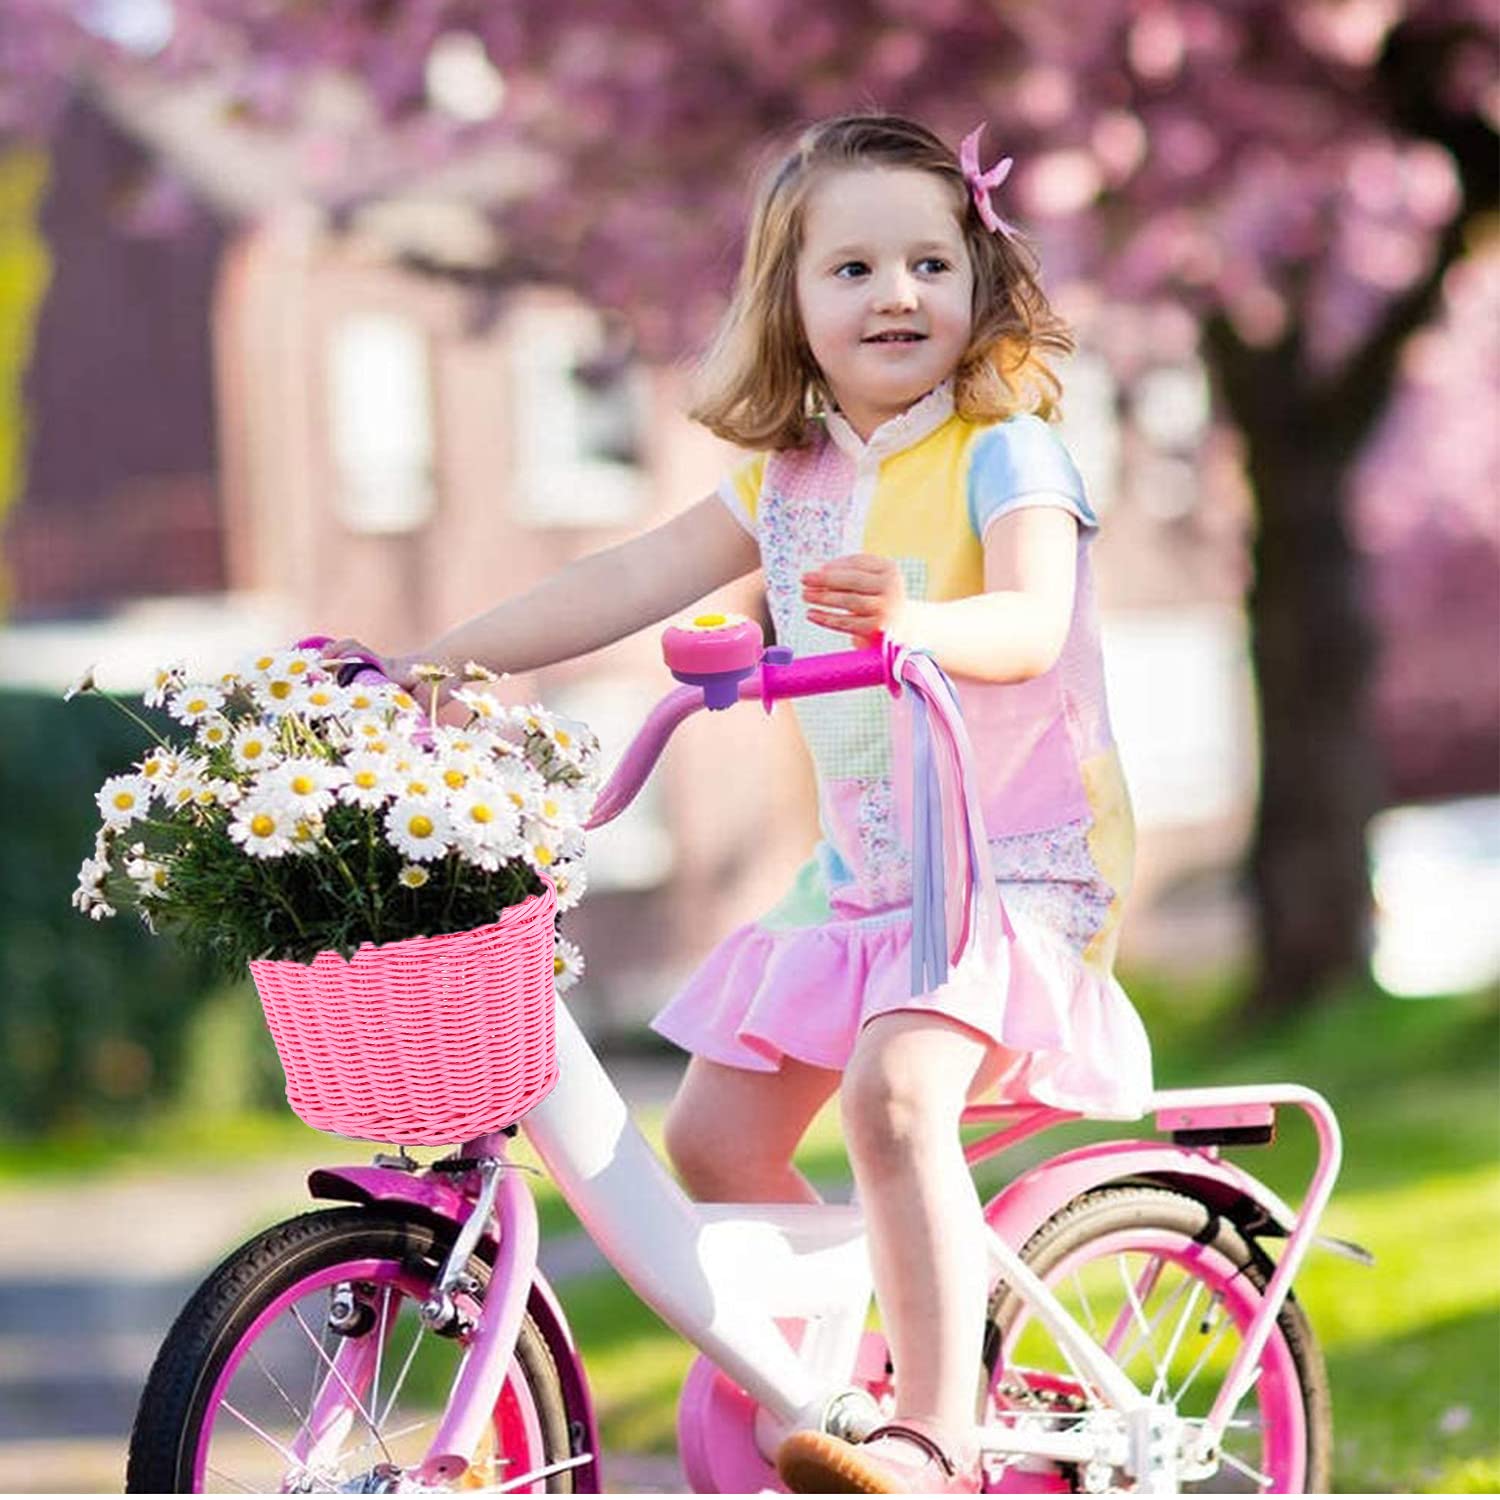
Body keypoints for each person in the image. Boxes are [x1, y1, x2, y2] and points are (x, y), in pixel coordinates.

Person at [326, 112, 1151, 1495]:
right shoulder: (791, 474)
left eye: (931, 265)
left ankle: (937, 1436)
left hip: (1005, 866)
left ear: (980, 283)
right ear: (791, 303)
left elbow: (1030, 620)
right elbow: (627, 578)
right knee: (712, 1140)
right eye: (853, 270)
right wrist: (440, 664)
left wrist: (919, 625)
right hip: (865, 876)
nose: (897, 294)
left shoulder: (1009, 447)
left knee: (895, 1100)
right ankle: (854, 1368)